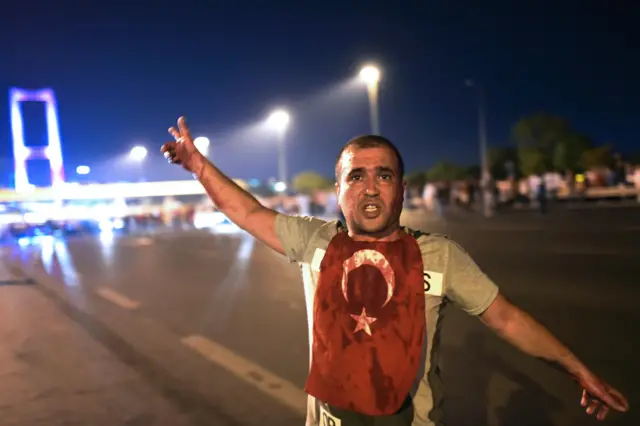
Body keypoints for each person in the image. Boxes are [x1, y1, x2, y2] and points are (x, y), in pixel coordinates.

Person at [161, 117, 629, 426]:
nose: (369, 189)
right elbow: (247, 212)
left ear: (402, 189)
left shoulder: (440, 255)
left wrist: (576, 368)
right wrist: (199, 166)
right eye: (356, 176)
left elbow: (505, 317)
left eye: (383, 176)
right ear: (338, 190)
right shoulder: (315, 241)